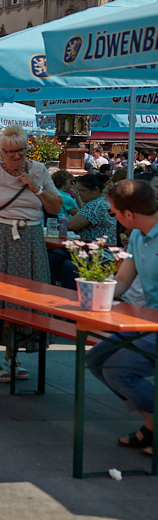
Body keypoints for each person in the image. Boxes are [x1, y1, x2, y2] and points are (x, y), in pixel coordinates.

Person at [0, 125, 62, 383]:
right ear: (0, 151)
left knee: (26, 298)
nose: (16, 157)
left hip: (30, 239)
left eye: (20, 151)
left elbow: (56, 206)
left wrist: (36, 188)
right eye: (10, 152)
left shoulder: (39, 170)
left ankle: (12, 354)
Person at [88, 180, 158, 455]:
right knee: (95, 360)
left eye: (114, 212)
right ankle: (152, 424)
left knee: (119, 371)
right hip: (146, 322)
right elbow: (122, 281)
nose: (113, 218)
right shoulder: (139, 235)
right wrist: (94, 287)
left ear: (129, 213)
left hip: (152, 324)